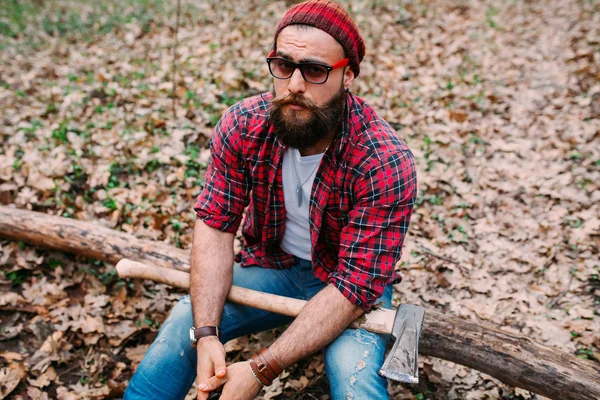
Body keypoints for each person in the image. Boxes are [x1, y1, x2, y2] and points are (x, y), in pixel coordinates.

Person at [124, 1, 417, 399]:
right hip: (275, 267)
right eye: (283, 65)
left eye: (314, 70)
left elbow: (355, 284)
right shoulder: (243, 125)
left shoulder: (383, 160)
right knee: (184, 323)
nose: (295, 85)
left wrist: (262, 369)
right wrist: (207, 333)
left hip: (347, 286)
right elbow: (215, 225)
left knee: (355, 379)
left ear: (348, 74)